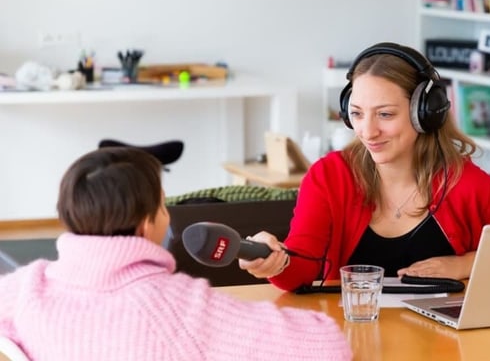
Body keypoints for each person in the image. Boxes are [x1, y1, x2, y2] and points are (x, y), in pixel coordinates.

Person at [0, 147, 351, 361]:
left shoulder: (26, 290)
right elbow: (327, 347)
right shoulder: (181, 309)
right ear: (147, 223)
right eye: (163, 205)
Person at [240, 42, 490, 292]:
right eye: (357, 114)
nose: (368, 131)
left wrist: (464, 264)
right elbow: (301, 268)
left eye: (384, 114)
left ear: (425, 113)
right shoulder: (329, 177)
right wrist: (275, 261)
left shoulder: (466, 184)